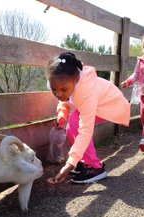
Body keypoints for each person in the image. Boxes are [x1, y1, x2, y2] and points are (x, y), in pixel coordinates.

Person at [46, 52, 130, 185]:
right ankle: (84, 163)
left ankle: (95, 168)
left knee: (75, 122)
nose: (58, 93)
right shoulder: (63, 81)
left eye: (63, 89)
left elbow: (85, 131)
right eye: (53, 89)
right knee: (70, 127)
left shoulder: (86, 93)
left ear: (76, 80)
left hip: (112, 105)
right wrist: (62, 115)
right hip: (99, 103)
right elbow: (65, 100)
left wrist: (69, 164)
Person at [121, 35, 144, 152]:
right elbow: (135, 75)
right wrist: (128, 82)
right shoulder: (140, 60)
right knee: (143, 116)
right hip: (143, 94)